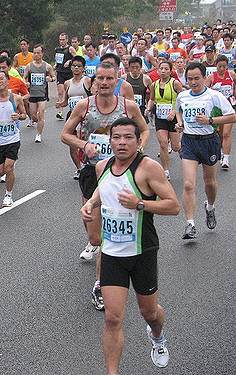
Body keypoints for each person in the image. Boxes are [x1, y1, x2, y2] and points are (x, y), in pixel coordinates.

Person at [80, 117, 180, 374]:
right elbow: (104, 190)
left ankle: (157, 336)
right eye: (116, 137)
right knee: (112, 318)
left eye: (128, 138)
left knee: (149, 312)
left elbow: (173, 206)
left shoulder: (148, 168)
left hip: (142, 251)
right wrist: (91, 204)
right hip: (112, 252)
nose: (122, 143)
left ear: (138, 142)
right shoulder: (102, 166)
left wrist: (140, 204)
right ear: (109, 141)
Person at [61, 62, 150, 311]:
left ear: (116, 80)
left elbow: (144, 130)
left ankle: (101, 283)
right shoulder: (84, 106)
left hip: (119, 172)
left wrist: (137, 150)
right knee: (94, 234)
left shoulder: (127, 106)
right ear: (93, 80)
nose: (103, 82)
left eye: (109, 78)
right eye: (99, 78)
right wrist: (83, 145)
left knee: (106, 235)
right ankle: (97, 245)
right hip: (91, 170)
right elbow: (65, 134)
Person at [175, 62, 236, 239]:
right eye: (190, 79)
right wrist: (180, 123)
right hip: (189, 142)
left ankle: (210, 207)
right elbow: (178, 110)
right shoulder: (183, 96)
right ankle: (190, 225)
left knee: (209, 182)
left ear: (204, 78)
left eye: (196, 79)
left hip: (209, 141)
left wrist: (210, 120)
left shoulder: (214, 96)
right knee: (188, 184)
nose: (193, 82)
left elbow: (232, 115)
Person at [0, 71, 27, 206]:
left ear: (8, 81)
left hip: (13, 139)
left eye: (2, 79)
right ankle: (10, 166)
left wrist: (19, 117)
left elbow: (24, 114)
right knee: (0, 171)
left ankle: (8, 195)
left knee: (8, 168)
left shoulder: (16, 99)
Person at [145, 61, 183, 180]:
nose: (163, 71)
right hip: (160, 117)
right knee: (163, 143)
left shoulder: (175, 84)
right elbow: (152, 99)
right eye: (161, 68)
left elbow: (182, 100)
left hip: (172, 118)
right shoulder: (154, 85)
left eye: (166, 69)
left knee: (176, 147)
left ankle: (186, 154)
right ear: (158, 70)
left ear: (170, 71)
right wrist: (148, 108)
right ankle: (165, 170)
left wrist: (174, 110)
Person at [56, 55, 92, 179]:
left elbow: (93, 97)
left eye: (79, 66)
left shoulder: (87, 81)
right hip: (72, 115)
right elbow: (66, 100)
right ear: (71, 68)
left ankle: (88, 165)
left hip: (86, 116)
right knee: (72, 144)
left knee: (84, 142)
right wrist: (60, 104)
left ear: (83, 68)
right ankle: (79, 168)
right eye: (74, 66)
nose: (76, 68)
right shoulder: (67, 83)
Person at [206, 55, 236, 170]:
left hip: (229, 108)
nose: (222, 69)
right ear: (216, 66)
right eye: (219, 67)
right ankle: (223, 152)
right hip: (217, 110)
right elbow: (205, 92)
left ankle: (226, 158)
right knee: (220, 134)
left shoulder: (232, 75)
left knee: (226, 134)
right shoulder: (211, 77)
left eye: (224, 66)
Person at [24, 44, 56, 143]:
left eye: (38, 53)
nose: (36, 55)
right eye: (34, 53)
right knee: (34, 115)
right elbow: (24, 77)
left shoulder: (47, 66)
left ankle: (38, 134)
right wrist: (26, 83)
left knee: (41, 113)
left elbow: (54, 77)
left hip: (43, 94)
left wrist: (50, 79)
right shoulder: (29, 66)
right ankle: (38, 121)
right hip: (32, 94)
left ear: (42, 54)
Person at [54, 33, 77, 120]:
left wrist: (70, 61)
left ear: (67, 40)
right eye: (60, 40)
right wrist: (56, 65)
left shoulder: (70, 49)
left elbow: (77, 58)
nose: (62, 41)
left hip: (69, 73)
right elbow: (57, 59)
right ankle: (60, 111)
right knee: (60, 92)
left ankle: (73, 109)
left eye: (63, 40)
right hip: (60, 72)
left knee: (70, 92)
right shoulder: (57, 49)